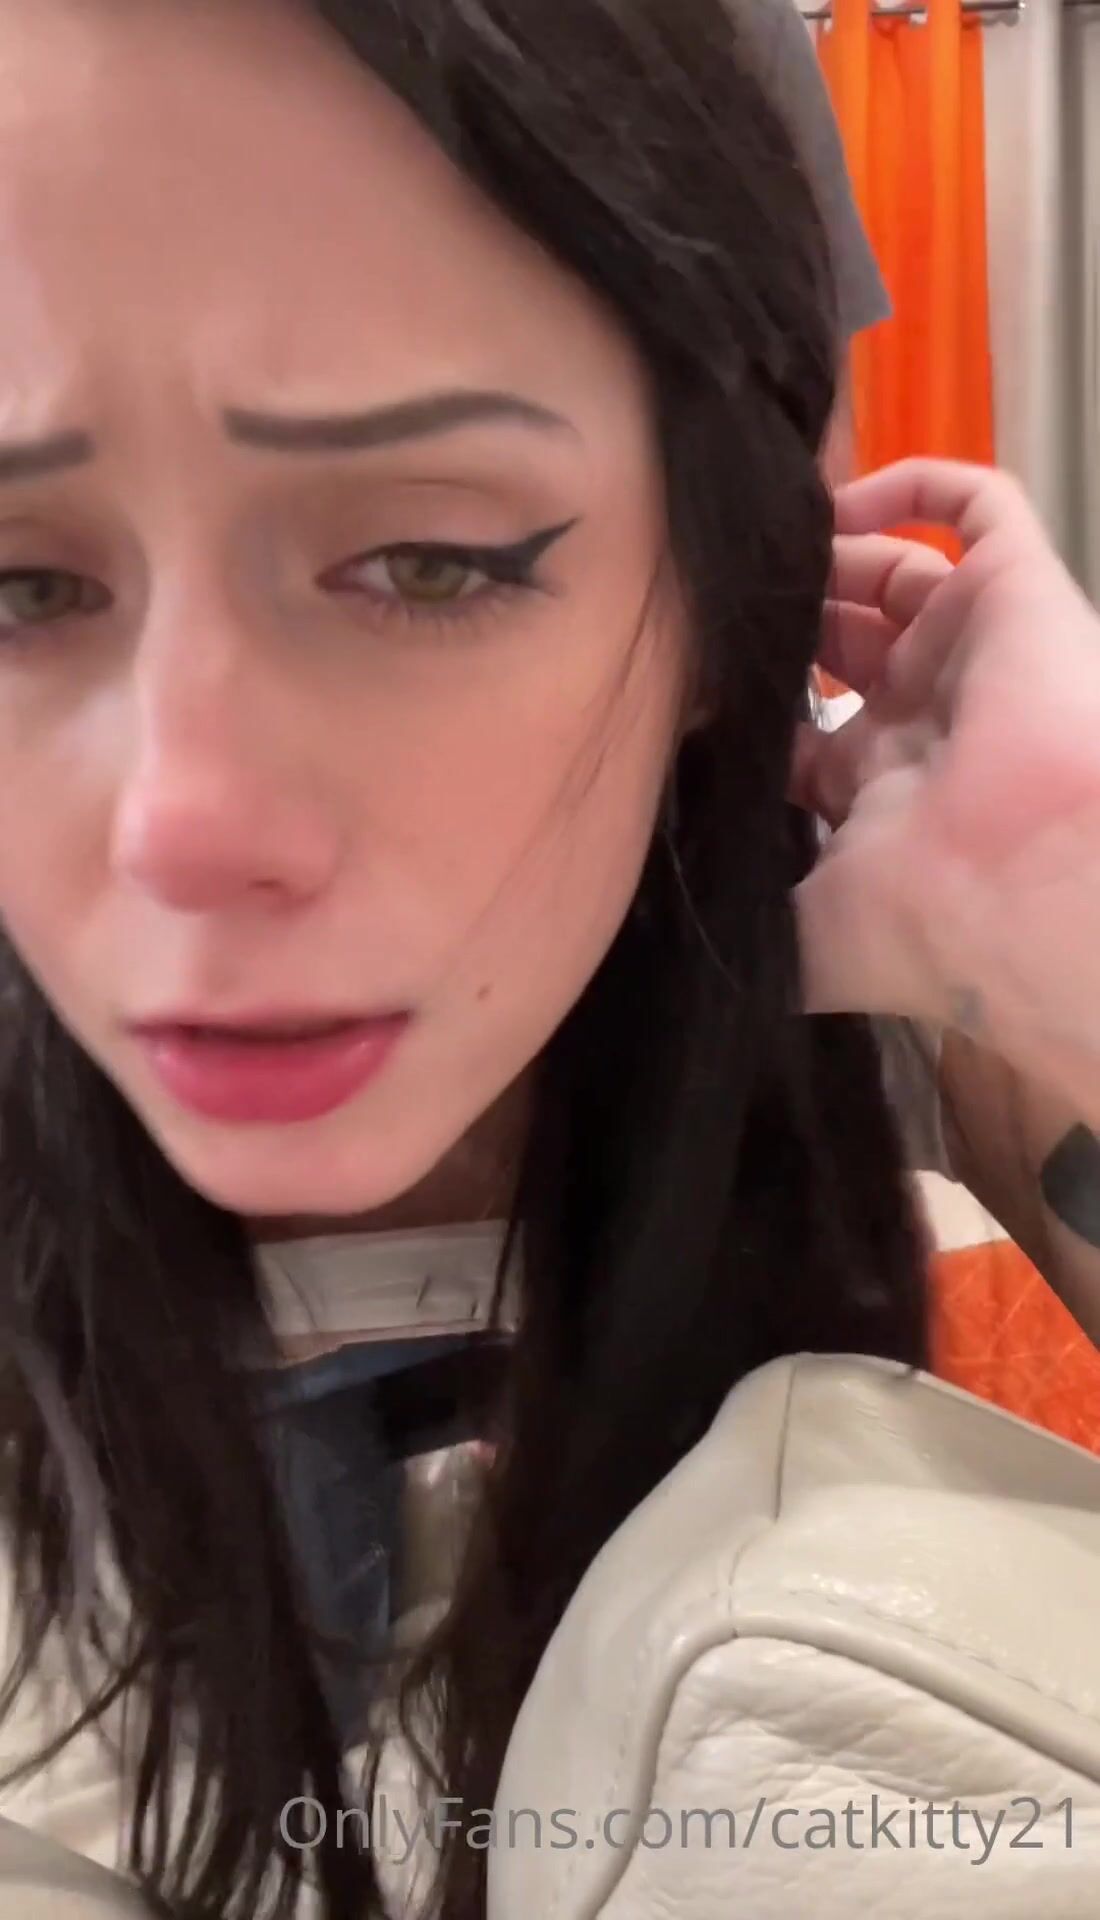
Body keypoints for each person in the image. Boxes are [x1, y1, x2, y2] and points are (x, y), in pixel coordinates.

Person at [0, 3, 1096, 1919]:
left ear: (737, 587)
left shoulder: (929, 1012)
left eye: (429, 560)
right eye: (20, 584)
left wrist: (1070, 920)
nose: (180, 825)